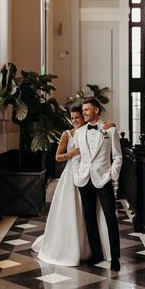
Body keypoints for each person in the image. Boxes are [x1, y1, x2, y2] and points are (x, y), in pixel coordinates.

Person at [31, 105, 114, 266]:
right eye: (73, 117)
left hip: (90, 177)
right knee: (71, 210)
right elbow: (58, 157)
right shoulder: (67, 134)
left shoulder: (95, 131)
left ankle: (93, 247)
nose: (75, 120)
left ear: (84, 117)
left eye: (78, 117)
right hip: (71, 176)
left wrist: (112, 125)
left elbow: (106, 132)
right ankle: (69, 247)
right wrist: (72, 153)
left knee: (90, 213)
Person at [73, 97, 122, 271]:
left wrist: (111, 176)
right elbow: (77, 157)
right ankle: (96, 253)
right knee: (89, 218)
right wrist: (77, 175)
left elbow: (117, 157)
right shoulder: (79, 132)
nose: (84, 112)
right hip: (84, 180)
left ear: (96, 110)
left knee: (111, 217)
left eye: (87, 109)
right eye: (83, 109)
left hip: (103, 179)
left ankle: (115, 257)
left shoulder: (110, 130)